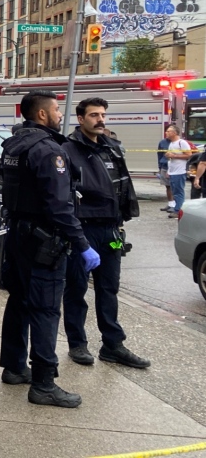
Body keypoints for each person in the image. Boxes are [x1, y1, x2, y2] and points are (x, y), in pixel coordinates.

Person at [0, 89, 98, 408]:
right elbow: (58, 205)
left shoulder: (14, 144)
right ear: (42, 114)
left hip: (17, 235)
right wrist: (82, 244)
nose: (59, 114)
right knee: (44, 309)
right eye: (56, 109)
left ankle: (14, 366)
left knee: (19, 301)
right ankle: (43, 383)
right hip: (44, 241)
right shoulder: (47, 149)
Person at [61, 98, 148, 370]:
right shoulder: (67, 150)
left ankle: (113, 345)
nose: (100, 119)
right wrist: (75, 235)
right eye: (94, 115)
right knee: (76, 289)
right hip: (82, 229)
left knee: (108, 289)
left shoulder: (112, 149)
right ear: (80, 118)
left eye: (102, 115)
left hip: (110, 228)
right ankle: (77, 343)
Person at [164, 125, 192, 219]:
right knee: (174, 191)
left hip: (180, 172)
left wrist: (174, 156)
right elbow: (171, 158)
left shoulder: (182, 143)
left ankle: (178, 210)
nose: (166, 133)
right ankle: (177, 208)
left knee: (178, 192)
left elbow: (189, 155)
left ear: (175, 133)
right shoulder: (171, 143)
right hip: (173, 172)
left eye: (168, 131)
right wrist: (169, 170)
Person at [158, 134, 175, 213]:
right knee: (168, 186)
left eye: (169, 131)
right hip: (164, 166)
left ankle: (176, 206)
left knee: (175, 187)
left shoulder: (179, 143)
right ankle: (170, 204)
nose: (167, 133)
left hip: (175, 167)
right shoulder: (162, 142)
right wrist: (160, 166)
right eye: (167, 131)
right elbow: (159, 155)